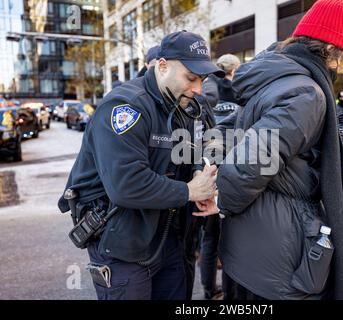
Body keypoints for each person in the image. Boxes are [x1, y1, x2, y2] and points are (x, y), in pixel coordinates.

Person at [195, 0, 343, 300]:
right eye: (341, 58)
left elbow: (224, 133)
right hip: (276, 250)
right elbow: (252, 161)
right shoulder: (306, 93)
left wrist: (217, 183)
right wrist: (222, 197)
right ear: (331, 51)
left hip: (249, 238)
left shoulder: (271, 80)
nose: (338, 66)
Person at [58, 30, 225, 300]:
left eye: (202, 80)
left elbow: (209, 141)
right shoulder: (125, 107)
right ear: (162, 67)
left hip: (170, 238)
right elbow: (127, 184)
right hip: (123, 243)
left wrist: (199, 170)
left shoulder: (186, 103)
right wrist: (190, 191)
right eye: (191, 78)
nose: (198, 89)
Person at [198, 53, 241, 300]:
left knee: (209, 237)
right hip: (235, 170)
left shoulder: (208, 89)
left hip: (209, 168)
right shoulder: (242, 91)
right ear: (234, 70)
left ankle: (207, 289)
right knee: (231, 239)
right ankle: (229, 292)